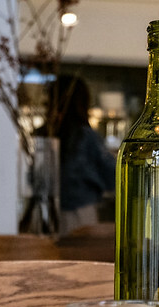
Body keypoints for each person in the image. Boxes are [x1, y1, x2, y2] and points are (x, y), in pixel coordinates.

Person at [52, 75, 116, 235]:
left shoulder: (47, 134)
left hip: (50, 212)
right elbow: (113, 174)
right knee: (80, 250)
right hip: (79, 212)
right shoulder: (85, 136)